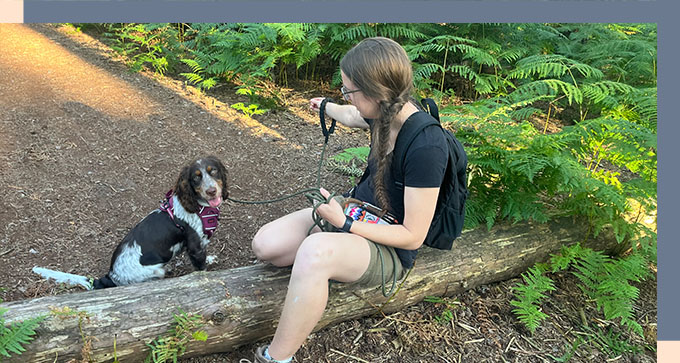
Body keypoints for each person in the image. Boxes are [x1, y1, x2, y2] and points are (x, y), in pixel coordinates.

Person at [250, 37, 449, 363]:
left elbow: (413, 236)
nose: (346, 96)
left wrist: (344, 223)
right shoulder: (382, 110)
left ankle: (276, 358)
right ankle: (314, 272)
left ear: (375, 91)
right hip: (357, 211)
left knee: (314, 253)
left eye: (348, 89)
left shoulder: (427, 146)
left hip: (389, 247)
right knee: (266, 245)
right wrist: (326, 106)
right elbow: (351, 114)